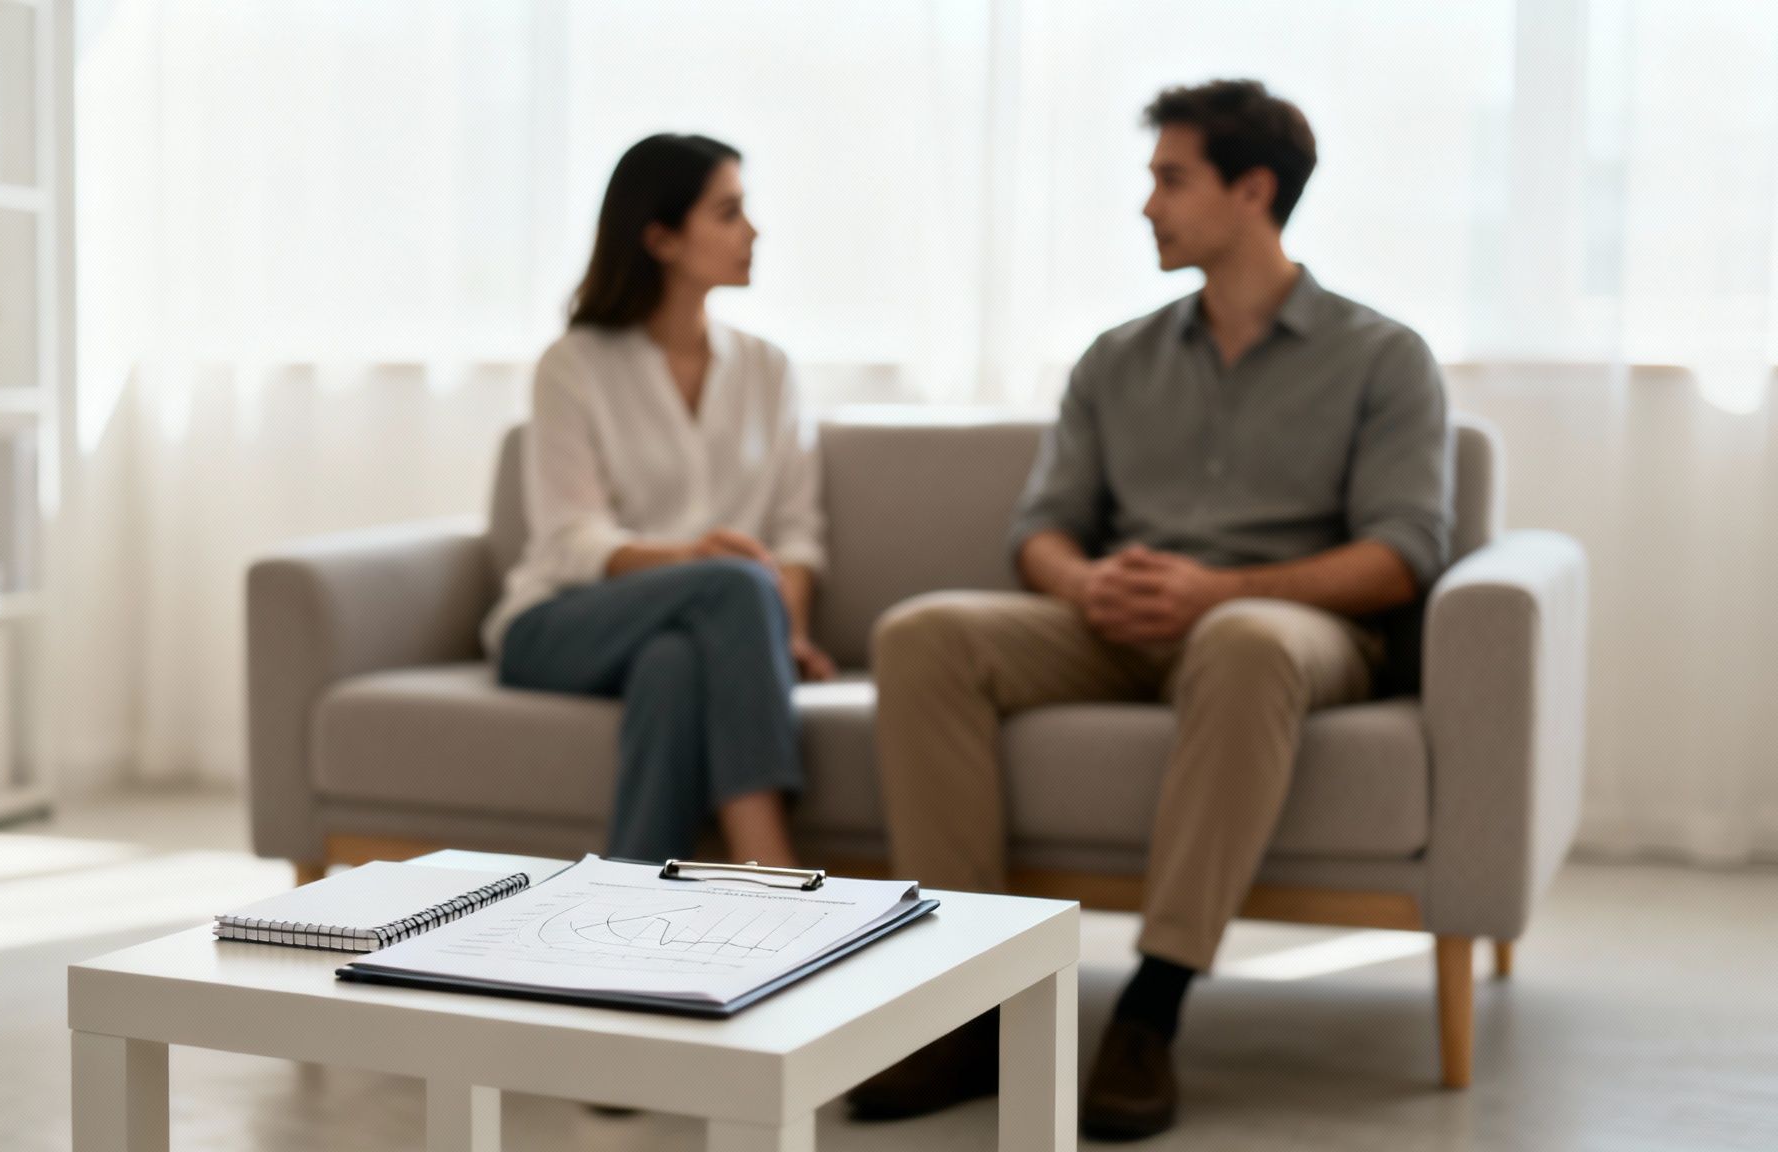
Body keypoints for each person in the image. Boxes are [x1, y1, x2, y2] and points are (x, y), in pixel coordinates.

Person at [848, 80, 1452, 1140]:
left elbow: (1401, 555)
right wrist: (1081, 583)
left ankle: (1152, 1007)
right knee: (924, 632)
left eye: (1170, 179)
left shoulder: (1381, 357)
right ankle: (969, 1002)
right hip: (1117, 621)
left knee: (1240, 641)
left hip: (1280, 627)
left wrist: (1221, 589)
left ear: (1252, 190)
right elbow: (1039, 527)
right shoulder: (1115, 357)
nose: (1146, 206)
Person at [484, 133, 834, 870]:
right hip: (558, 623)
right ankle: (771, 869)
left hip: (691, 631)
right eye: (729, 213)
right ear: (661, 237)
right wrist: (695, 561)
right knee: (733, 583)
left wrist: (781, 636)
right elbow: (568, 540)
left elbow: (796, 536)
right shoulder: (573, 364)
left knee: (674, 664)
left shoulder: (769, 371)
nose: (754, 232)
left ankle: (629, 913)